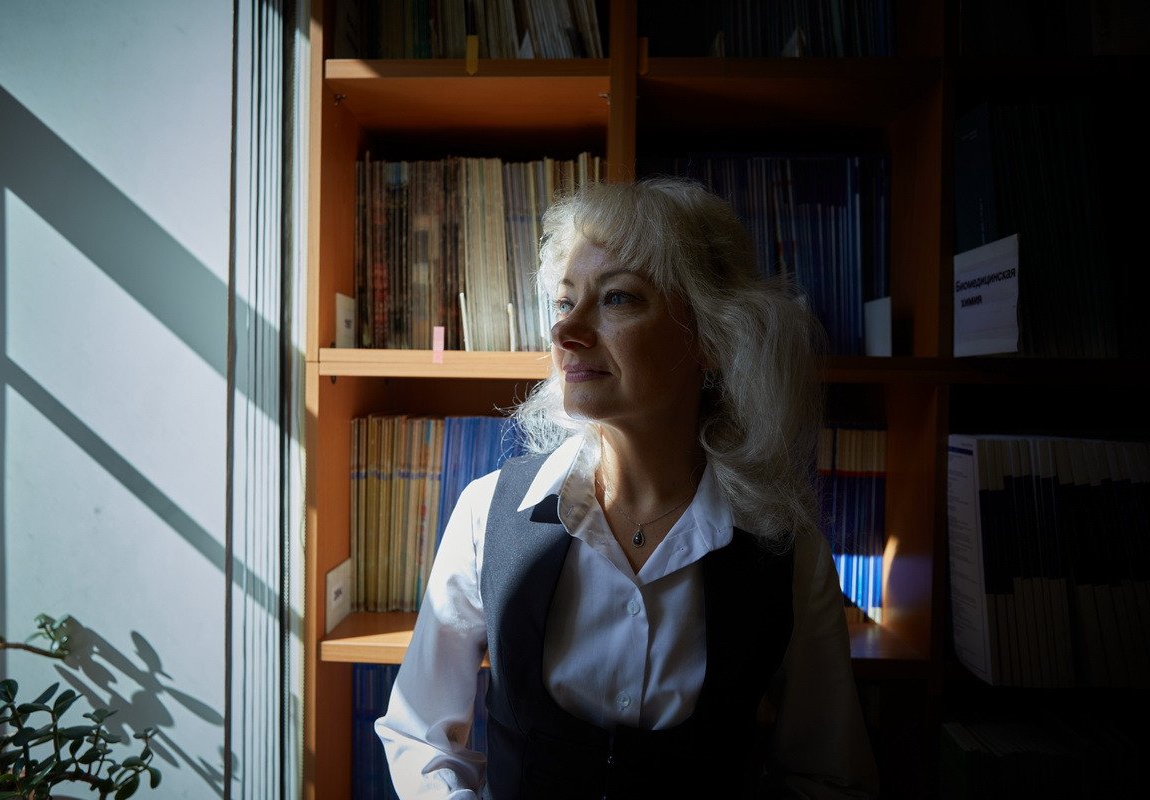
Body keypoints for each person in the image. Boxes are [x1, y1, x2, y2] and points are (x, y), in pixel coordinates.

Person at [375, 176, 880, 798]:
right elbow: (419, 734)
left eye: (617, 298)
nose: (566, 332)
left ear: (713, 338)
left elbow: (828, 777)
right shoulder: (487, 513)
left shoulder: (790, 554)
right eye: (564, 302)